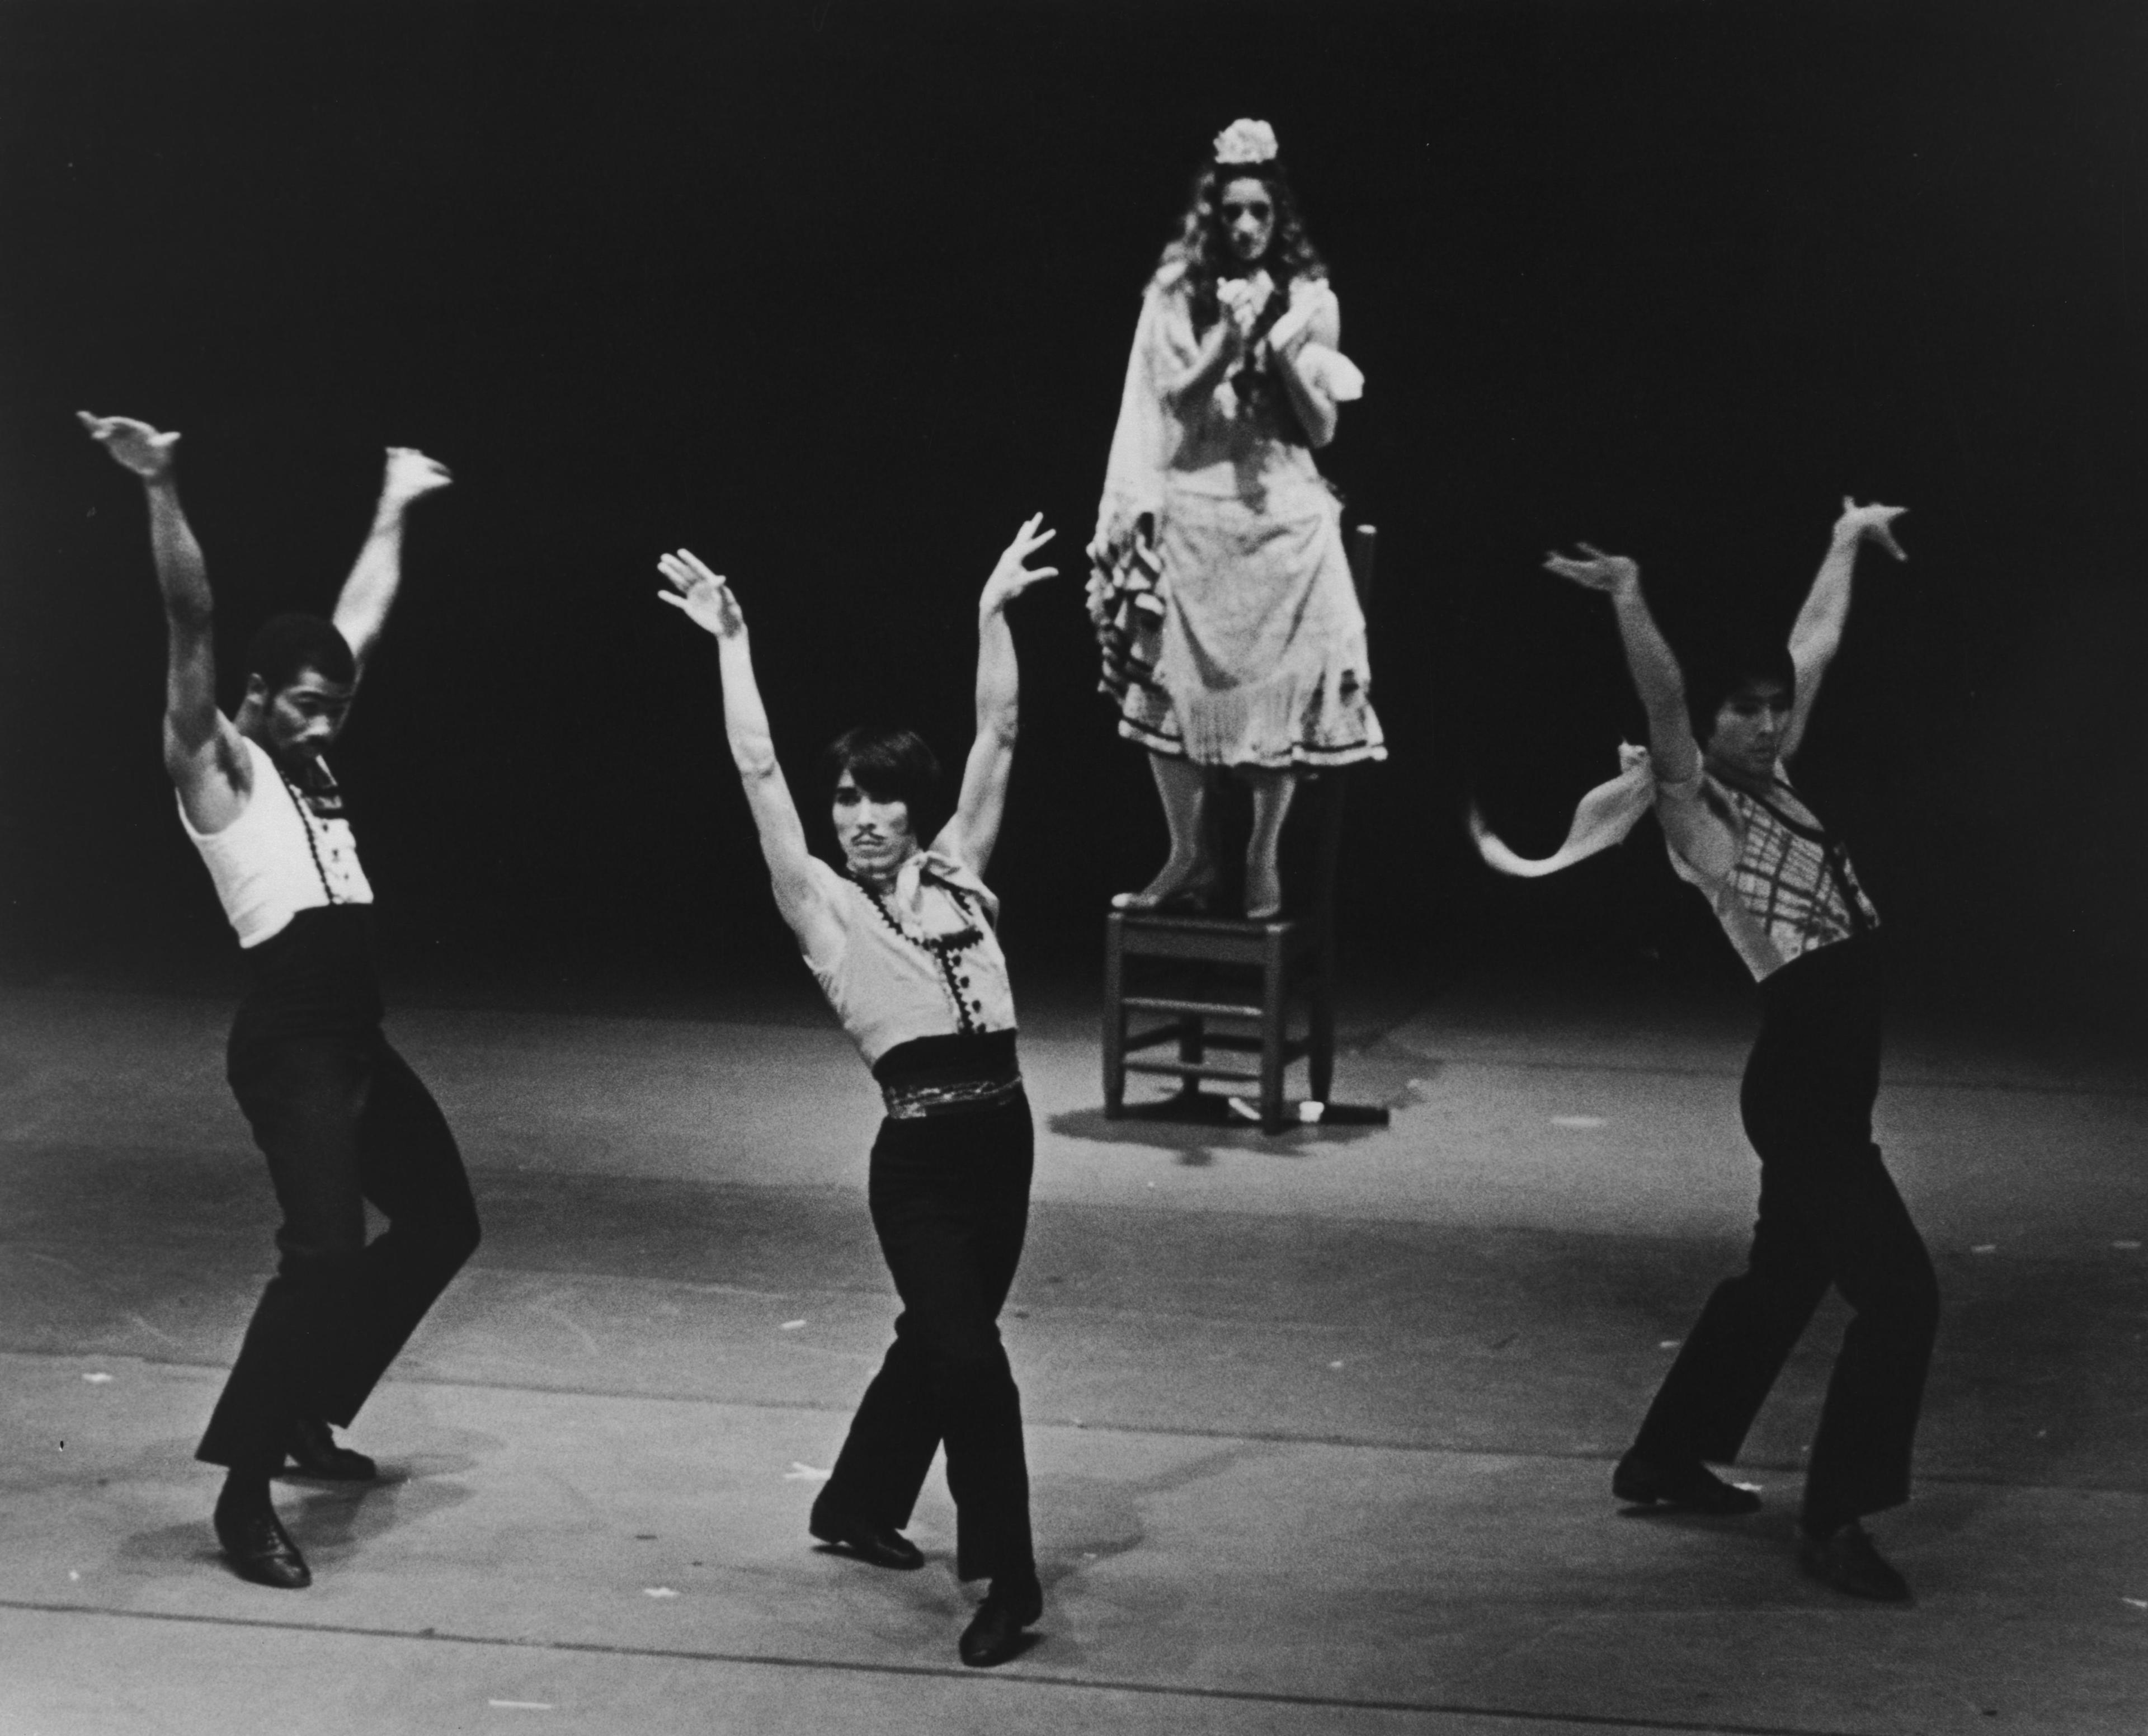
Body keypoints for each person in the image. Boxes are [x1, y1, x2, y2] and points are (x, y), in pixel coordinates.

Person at [1481, 498, 1939, 1601]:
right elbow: (1664, 701)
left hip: (1830, 1077)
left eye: (1777, 710)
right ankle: (1836, 1520)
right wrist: (1632, 599)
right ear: (1711, 724)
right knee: (1904, 1295)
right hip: (1803, 1084)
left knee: (1787, 1274)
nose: (1771, 724)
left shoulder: (1775, 774)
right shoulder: (1697, 814)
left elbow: (1815, 641)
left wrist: (1840, 538)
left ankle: (1664, 1456)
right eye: (1749, 711)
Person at [79, 412, 482, 1591]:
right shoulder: (219, 764)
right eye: (303, 704)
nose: (321, 723)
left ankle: (305, 1411)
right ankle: (245, 1491)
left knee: (443, 1222)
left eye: (335, 710)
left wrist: (396, 504)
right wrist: (159, 485)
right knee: (322, 1258)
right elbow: (190, 614)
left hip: (357, 1032)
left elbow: (361, 616)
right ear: (256, 696)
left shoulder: (314, 749)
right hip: (292, 1039)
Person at [654, 516, 1058, 1668]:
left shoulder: (961, 871)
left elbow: (1003, 727)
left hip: (1007, 1142)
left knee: (937, 1341)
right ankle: (1007, 1577)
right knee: (973, 1357)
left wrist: (989, 612)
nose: (861, 816)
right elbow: (757, 766)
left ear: (911, 805)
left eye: (879, 798)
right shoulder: (822, 905)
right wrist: (730, 640)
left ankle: (853, 1501)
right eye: (846, 802)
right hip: (922, 1163)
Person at [1089, 117, 1383, 920]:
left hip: (1282, 507)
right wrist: (1228, 339)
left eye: (1260, 212)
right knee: (1168, 678)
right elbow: (1176, 404)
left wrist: (1282, 349)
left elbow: (1322, 430)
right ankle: (1188, 852)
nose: (1247, 226)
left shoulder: (1312, 300)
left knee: (1281, 679)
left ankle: (1260, 852)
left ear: (1278, 215)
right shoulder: (1178, 293)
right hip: (1196, 505)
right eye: (1232, 214)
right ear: (1212, 219)